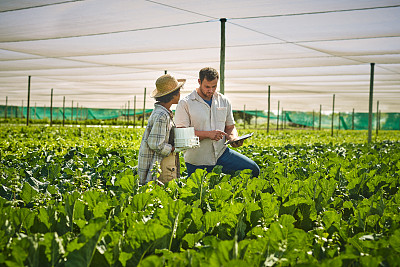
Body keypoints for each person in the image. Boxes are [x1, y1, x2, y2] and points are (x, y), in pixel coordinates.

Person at [175, 67, 260, 177]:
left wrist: (233, 138)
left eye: (214, 86)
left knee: (252, 169)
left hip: (221, 154)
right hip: (197, 159)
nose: (210, 90)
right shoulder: (185, 103)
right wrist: (208, 134)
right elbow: (182, 134)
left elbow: (230, 127)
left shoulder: (224, 101)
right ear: (199, 82)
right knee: (201, 191)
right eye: (207, 87)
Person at [138, 74, 185, 185]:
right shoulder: (162, 115)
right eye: (178, 91)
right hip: (160, 163)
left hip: (162, 161)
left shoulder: (163, 112)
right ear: (172, 95)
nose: (180, 94)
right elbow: (156, 144)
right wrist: (174, 148)